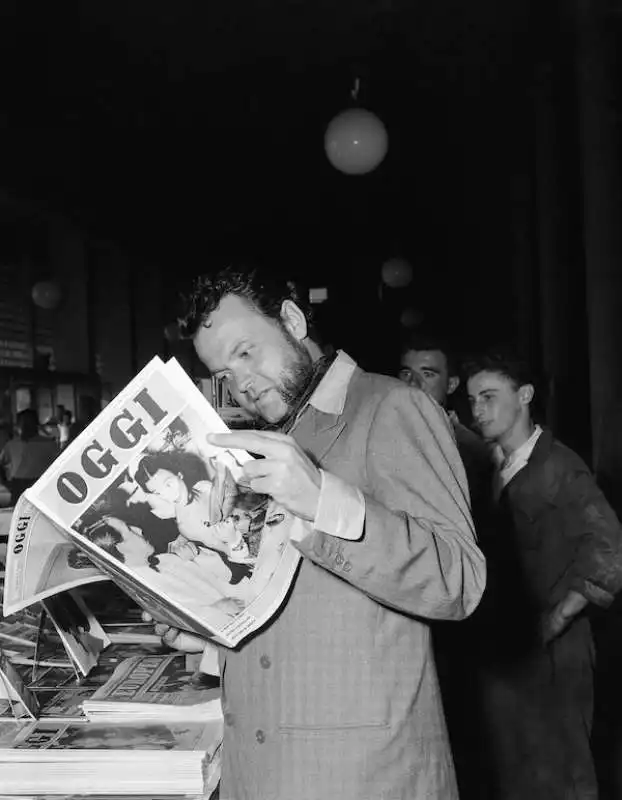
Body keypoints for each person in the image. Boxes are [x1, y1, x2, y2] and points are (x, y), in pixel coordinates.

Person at [152, 265, 486, 800]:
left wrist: (326, 502)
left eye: (247, 353)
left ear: (291, 318)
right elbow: (305, 607)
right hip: (262, 773)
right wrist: (214, 634)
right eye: (225, 373)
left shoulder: (393, 407)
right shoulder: (267, 439)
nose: (243, 384)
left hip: (366, 776)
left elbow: (460, 581)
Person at [465, 350, 622, 800]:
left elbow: (611, 551)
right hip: (505, 648)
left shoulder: (559, 468)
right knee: (511, 772)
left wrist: (559, 616)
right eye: (473, 399)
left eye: (490, 397)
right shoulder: (489, 466)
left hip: (556, 655)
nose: (478, 410)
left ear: (525, 396)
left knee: (563, 774)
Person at [0, 409, 58, 504]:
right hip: (18, 484)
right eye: (22, 423)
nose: (25, 426)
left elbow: (58, 465)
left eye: (28, 422)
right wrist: (6, 483)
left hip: (40, 483)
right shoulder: (12, 445)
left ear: (35, 424)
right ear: (18, 425)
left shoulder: (48, 444)